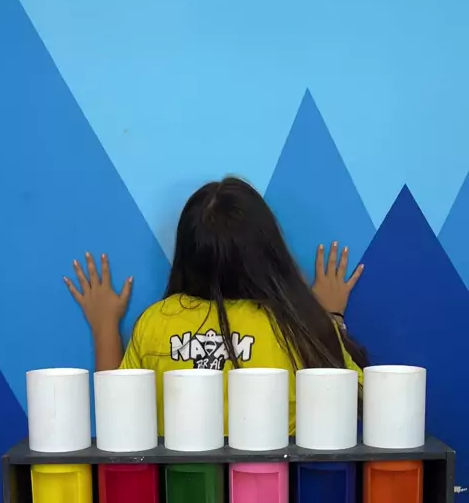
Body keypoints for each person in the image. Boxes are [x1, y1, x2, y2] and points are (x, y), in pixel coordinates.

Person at [64, 177, 367, 434]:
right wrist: (329, 319)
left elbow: (116, 416)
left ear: (187, 253)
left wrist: (104, 327)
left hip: (177, 487)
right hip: (276, 487)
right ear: (268, 249)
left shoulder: (156, 322)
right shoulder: (299, 325)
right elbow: (364, 399)